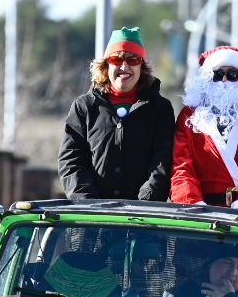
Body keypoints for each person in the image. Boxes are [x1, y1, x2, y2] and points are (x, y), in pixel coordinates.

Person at [58, 27, 175, 202]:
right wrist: (88, 204)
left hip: (144, 218)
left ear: (142, 67)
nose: (124, 66)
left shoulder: (160, 109)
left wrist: (144, 206)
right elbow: (71, 160)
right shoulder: (84, 106)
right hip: (91, 217)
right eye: (116, 59)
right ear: (106, 65)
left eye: (133, 59)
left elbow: (163, 162)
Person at [170, 45, 238, 213]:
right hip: (200, 214)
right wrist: (193, 205)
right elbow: (181, 168)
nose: (224, 81)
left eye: (233, 74)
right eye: (218, 74)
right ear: (207, 78)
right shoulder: (189, 115)